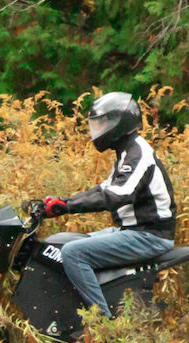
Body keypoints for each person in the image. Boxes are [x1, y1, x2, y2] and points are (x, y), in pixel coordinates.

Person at [28, 92, 175, 318]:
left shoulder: (138, 154)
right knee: (68, 241)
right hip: (133, 230)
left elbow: (116, 195)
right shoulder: (126, 152)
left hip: (149, 235)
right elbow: (103, 189)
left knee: (73, 253)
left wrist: (66, 207)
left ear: (119, 123)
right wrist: (62, 203)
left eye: (103, 123)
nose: (97, 130)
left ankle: (102, 323)